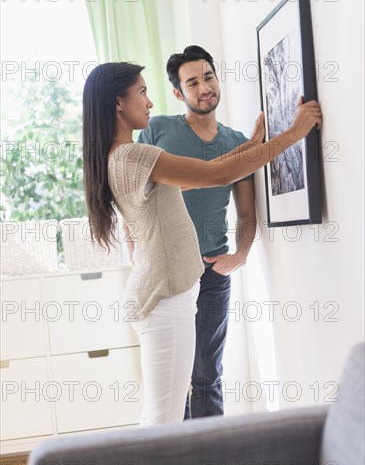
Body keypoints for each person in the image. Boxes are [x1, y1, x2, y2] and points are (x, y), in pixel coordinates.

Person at [82, 61, 322, 427]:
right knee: (166, 418)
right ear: (118, 103)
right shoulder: (133, 156)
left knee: (162, 413)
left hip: (160, 295)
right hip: (164, 298)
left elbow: (200, 178)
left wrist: (254, 146)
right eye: (142, 92)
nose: (149, 102)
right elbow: (216, 175)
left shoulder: (124, 157)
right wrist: (292, 134)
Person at [138, 45, 261, 419]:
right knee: (174, 383)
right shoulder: (159, 130)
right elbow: (140, 192)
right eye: (193, 82)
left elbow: (246, 211)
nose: (204, 87)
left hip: (211, 273)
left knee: (207, 375)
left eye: (208, 76)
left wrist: (240, 254)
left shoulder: (238, 143)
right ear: (179, 93)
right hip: (168, 273)